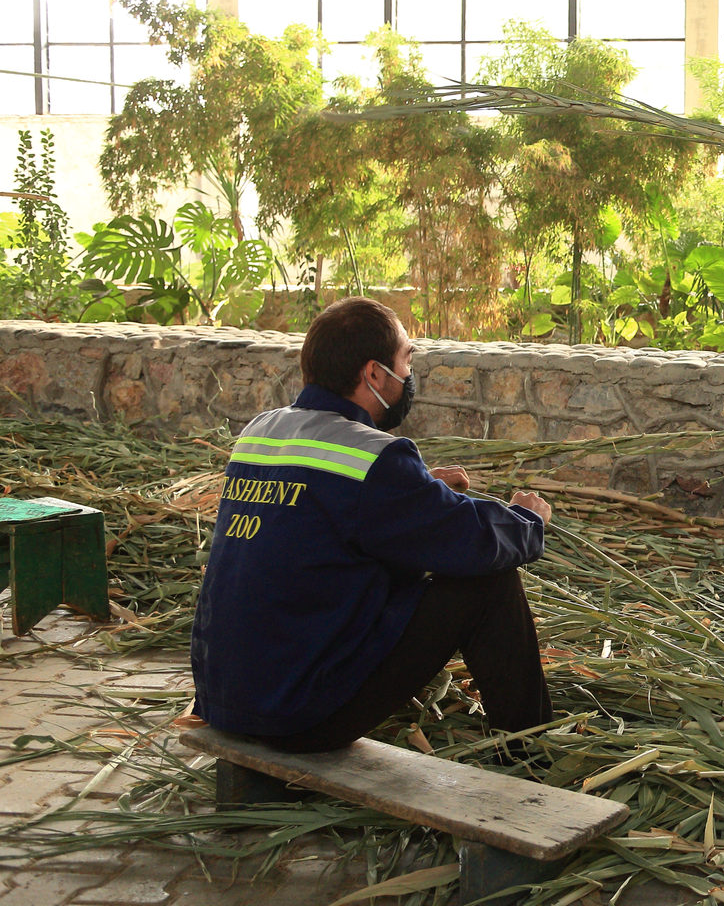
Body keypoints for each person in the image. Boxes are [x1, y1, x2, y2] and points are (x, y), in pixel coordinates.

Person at [190, 297, 556, 753]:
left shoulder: (260, 433)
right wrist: (527, 519)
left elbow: (328, 512)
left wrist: (421, 487)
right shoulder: (374, 457)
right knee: (488, 584)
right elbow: (471, 541)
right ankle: (531, 754)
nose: (409, 376)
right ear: (374, 375)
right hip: (298, 715)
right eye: (406, 361)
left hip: (226, 699)